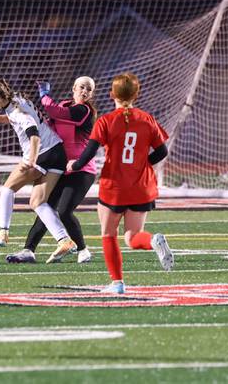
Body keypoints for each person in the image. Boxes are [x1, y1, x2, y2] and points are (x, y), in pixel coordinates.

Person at [67, 73, 174, 295]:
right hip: (141, 185)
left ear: (111, 94)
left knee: (109, 234)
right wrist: (143, 165)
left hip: (114, 185)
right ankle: (153, 240)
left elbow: (89, 152)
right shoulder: (147, 119)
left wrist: (74, 166)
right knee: (133, 237)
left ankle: (117, 283)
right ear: (136, 94)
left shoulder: (106, 120)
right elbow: (162, 151)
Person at [0, 75, 76, 264]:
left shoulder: (18, 111)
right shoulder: (17, 99)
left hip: (42, 153)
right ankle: (64, 240)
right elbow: (12, 119)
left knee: (8, 188)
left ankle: (3, 233)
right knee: (37, 202)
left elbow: (34, 135)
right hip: (57, 152)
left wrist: (31, 160)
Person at [6, 76, 97, 264]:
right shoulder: (64, 105)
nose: (85, 91)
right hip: (63, 167)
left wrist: (44, 96)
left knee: (64, 211)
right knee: (43, 206)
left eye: (89, 89)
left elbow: (55, 112)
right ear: (73, 88)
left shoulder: (84, 111)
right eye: (82, 87)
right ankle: (28, 250)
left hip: (81, 170)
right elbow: (48, 122)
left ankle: (83, 250)